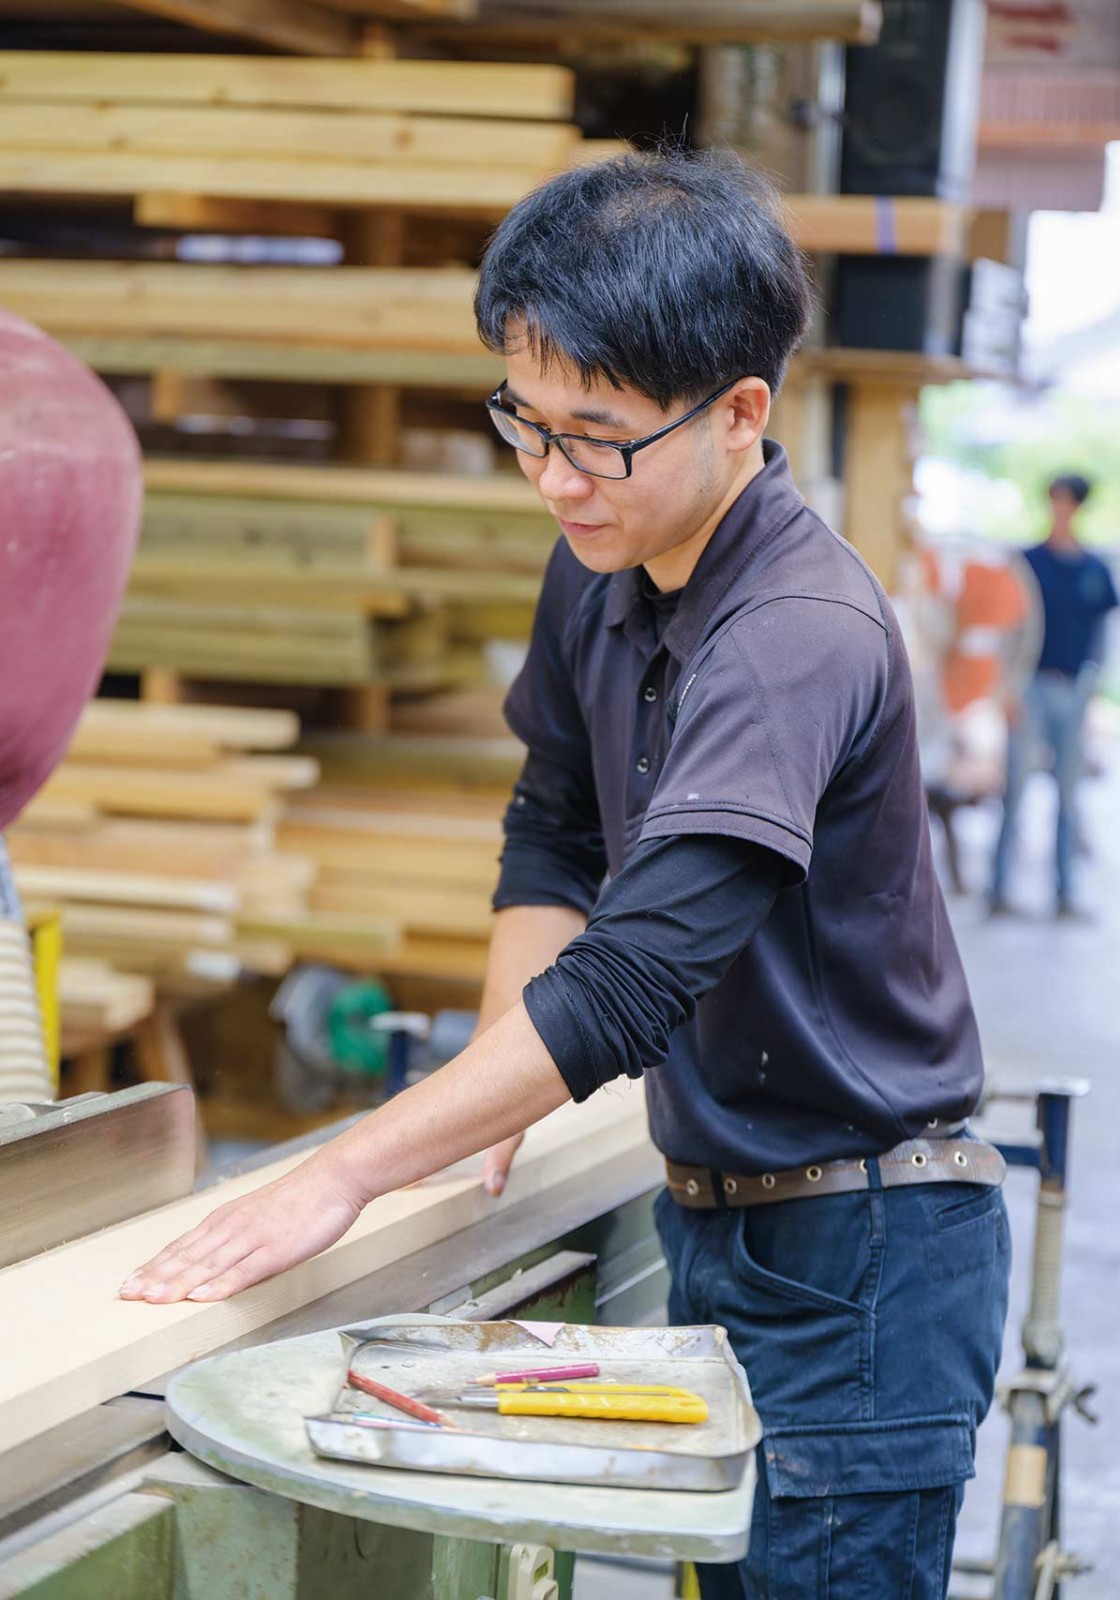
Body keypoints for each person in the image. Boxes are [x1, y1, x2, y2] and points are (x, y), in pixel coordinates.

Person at [122, 151, 1010, 1600]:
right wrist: (489, 1078)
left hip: (865, 1255)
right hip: (723, 1214)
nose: (549, 478)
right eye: (523, 423)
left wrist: (343, 1172)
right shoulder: (603, 560)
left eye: (594, 437)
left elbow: (640, 969)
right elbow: (556, 825)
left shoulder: (796, 632)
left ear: (739, 415)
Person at [990, 474, 1120, 920]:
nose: (1061, 509)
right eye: (1055, 501)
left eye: (1068, 502)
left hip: (1074, 690)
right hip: (1030, 688)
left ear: (1078, 508)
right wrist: (1005, 689)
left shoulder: (1095, 570)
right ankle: (999, 891)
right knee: (1016, 791)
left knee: (1068, 798)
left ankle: (1065, 895)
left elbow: (1102, 637)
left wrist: (1095, 692)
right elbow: (1005, 632)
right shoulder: (1025, 565)